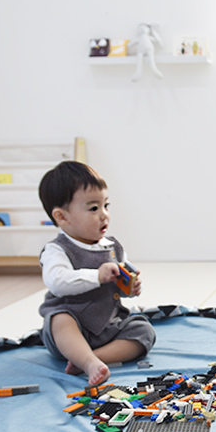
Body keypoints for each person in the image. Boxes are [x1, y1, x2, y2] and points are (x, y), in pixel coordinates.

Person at [38, 161, 156, 385]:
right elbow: (57, 282)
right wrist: (97, 276)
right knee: (60, 319)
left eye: (106, 205)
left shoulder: (113, 247)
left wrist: (130, 288)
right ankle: (85, 359)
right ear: (62, 217)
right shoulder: (57, 250)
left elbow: (121, 281)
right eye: (93, 208)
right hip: (71, 331)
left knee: (144, 330)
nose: (104, 215)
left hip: (108, 327)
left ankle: (91, 359)